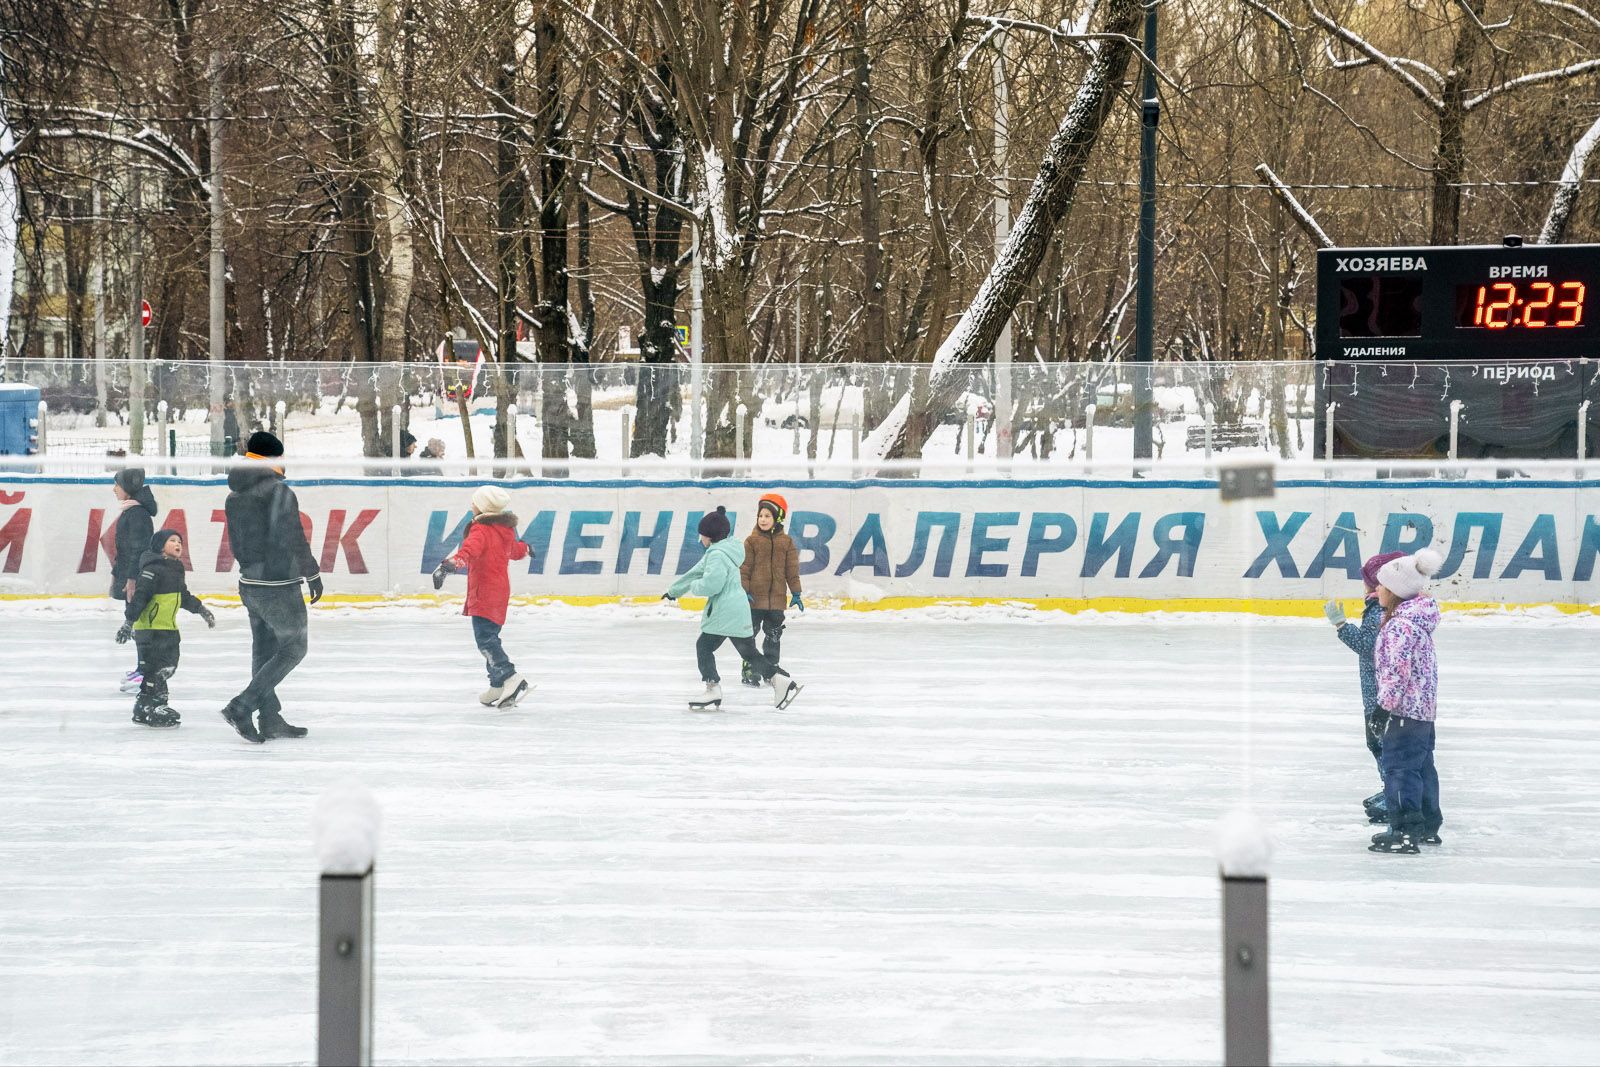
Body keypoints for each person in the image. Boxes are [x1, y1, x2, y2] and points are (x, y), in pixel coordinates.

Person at [219, 431, 322, 743]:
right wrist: (312, 572)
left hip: (249, 582)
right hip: (278, 583)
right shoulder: (276, 491)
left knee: (264, 651)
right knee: (294, 647)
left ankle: (270, 717)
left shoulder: (235, 493)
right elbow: (292, 535)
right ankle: (242, 706)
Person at [664, 506, 800, 711]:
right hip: (738, 608)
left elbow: (712, 584)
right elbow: (696, 571)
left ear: (710, 536)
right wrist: (674, 591)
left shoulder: (717, 555)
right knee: (748, 652)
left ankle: (712, 688)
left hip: (724, 611)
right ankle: (779, 681)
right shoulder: (725, 550)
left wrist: (695, 587)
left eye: (702, 535)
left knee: (704, 647)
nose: (701, 539)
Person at [1368, 548, 1444, 855]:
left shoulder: (1399, 626)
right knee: (1422, 767)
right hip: (1422, 711)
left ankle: (1404, 831)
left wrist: (1382, 708)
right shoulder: (1418, 621)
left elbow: (1396, 673)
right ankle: (1427, 825)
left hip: (1402, 711)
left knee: (1399, 768)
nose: (1376, 589)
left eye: (1382, 585)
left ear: (1395, 591)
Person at [430, 485, 531, 708]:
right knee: (490, 636)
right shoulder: (504, 529)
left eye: (475, 502)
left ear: (484, 507)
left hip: (484, 593)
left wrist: (447, 566)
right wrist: (525, 549)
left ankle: (509, 676)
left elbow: (468, 551)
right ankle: (497, 684)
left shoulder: (481, 530)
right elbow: (514, 550)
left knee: (485, 640)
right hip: (498, 592)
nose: (472, 505)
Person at [1323, 550, 1403, 825]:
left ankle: (1393, 793)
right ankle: (1392, 790)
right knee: (1382, 745)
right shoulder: (1386, 607)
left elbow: (1367, 647)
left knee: (1380, 744)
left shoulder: (1378, 611)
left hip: (1379, 693)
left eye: (1368, 581)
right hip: (1380, 690)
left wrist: (1341, 625)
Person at [115, 529, 215, 728]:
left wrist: (200, 609)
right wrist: (128, 622)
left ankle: (143, 707)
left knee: (163, 667)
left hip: (167, 627)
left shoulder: (176, 568)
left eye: (180, 541)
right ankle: (157, 706)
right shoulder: (152, 569)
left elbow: (183, 595)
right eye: (172, 540)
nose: (178, 544)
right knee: (159, 669)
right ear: (160, 546)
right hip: (151, 628)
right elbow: (140, 597)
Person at [738, 492, 803, 687]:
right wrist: (744, 591)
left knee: (774, 633)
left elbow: (792, 570)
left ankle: (771, 667)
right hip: (754, 600)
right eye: (760, 515)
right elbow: (744, 569)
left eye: (767, 516)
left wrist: (796, 592)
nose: (763, 519)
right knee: (750, 634)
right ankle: (749, 668)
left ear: (778, 518)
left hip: (776, 599)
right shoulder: (751, 541)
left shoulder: (787, 542)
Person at [110, 467, 158, 693]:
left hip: (137, 578)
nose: (114, 490)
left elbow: (139, 550)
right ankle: (142, 668)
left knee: (140, 625)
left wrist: (132, 579)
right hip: (131, 575)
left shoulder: (137, 514)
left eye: (117, 485)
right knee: (138, 624)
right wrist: (117, 573)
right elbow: (125, 548)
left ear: (127, 488)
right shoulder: (131, 511)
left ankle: (145, 673)